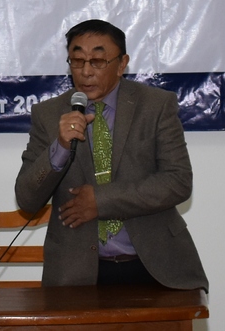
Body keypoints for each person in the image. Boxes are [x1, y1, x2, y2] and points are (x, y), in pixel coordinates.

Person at [15, 19, 208, 290]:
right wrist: (60, 147)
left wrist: (101, 200)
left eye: (97, 61)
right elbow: (26, 199)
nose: (86, 72)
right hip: (76, 273)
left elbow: (178, 181)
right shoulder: (49, 114)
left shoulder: (155, 106)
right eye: (77, 61)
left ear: (121, 64)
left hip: (155, 267)